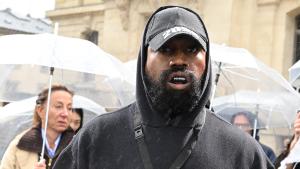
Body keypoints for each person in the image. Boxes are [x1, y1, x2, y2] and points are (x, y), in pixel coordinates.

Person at [53, 6, 274, 169]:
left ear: (207, 60)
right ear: (145, 58)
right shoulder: (97, 138)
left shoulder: (241, 152)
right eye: (166, 49)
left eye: (191, 50)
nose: (179, 60)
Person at [0, 84, 74, 169]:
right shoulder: (19, 145)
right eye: (58, 106)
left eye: (69, 108)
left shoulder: (78, 146)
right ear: (40, 110)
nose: (65, 114)